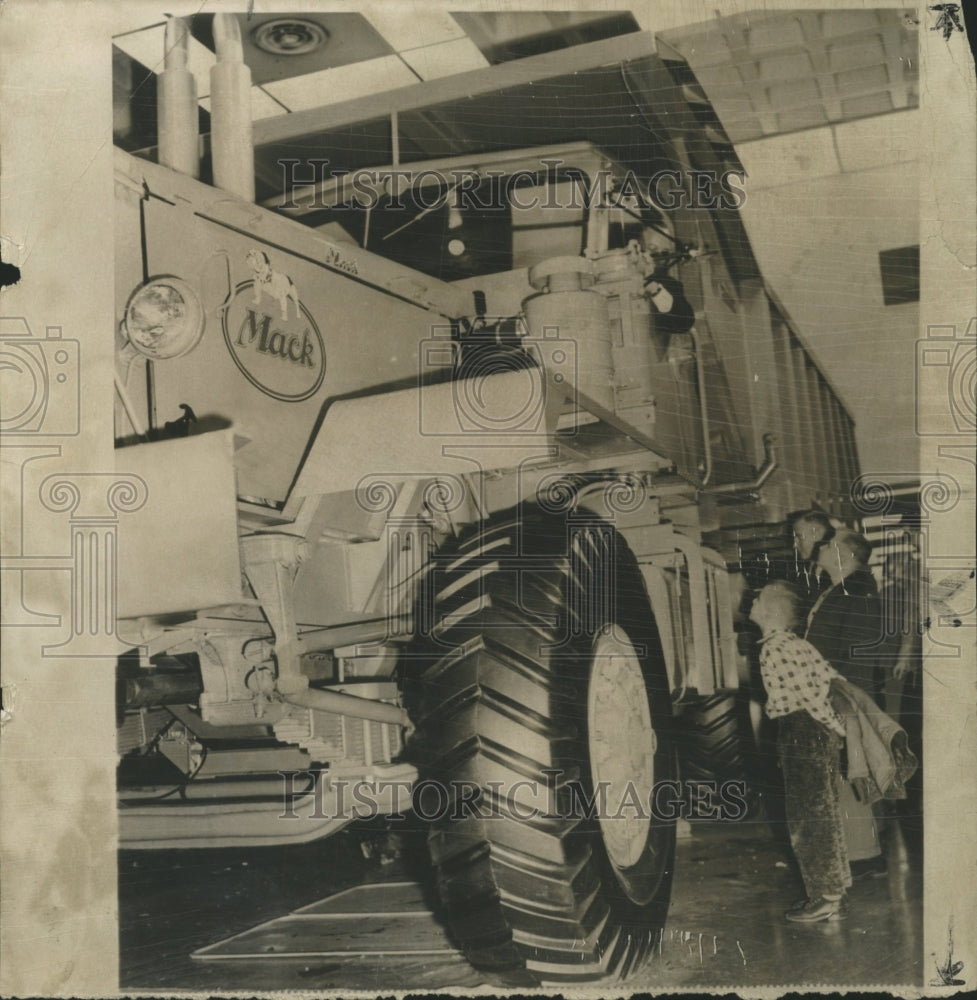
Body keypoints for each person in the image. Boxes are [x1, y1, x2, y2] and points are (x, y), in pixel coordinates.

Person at [750, 580, 850, 922]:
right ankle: (834, 889)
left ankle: (822, 898)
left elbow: (808, 698)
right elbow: (832, 678)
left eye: (758, 598)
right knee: (825, 811)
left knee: (806, 819)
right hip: (815, 733)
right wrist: (837, 730)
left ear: (770, 613)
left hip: (801, 731)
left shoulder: (773, 648)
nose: (752, 601)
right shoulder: (800, 645)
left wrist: (833, 727)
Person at [805, 528, 887, 879]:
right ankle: (857, 854)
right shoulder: (840, 589)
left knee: (849, 770)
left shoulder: (857, 590)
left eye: (829, 543)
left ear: (847, 554)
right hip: (834, 692)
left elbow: (857, 651)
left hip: (843, 694)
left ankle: (865, 857)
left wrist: (844, 699)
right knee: (844, 772)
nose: (821, 545)